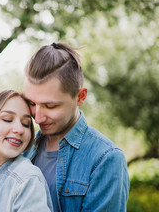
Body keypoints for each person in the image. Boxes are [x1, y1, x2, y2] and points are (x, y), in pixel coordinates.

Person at [23, 42, 129, 212]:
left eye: (50, 106)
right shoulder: (22, 147)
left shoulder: (106, 159)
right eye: (31, 103)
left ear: (80, 97)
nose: (37, 116)